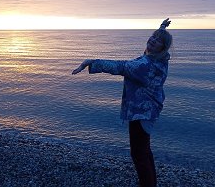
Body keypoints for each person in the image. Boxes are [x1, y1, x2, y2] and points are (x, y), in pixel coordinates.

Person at [72, 18, 172, 187]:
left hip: (141, 112)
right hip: (150, 109)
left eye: (158, 41)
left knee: (139, 154)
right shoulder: (161, 60)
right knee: (145, 150)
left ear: (163, 48)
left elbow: (120, 66)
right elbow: (149, 51)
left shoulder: (145, 66)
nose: (152, 41)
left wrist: (92, 62)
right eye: (152, 37)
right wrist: (161, 29)